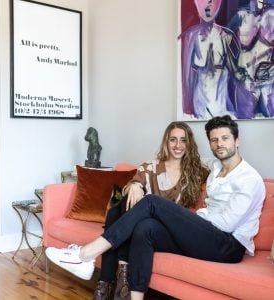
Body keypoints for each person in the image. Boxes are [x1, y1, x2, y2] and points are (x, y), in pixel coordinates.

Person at [46, 115, 266, 300]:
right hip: (205, 237)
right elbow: (188, 160)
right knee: (146, 228)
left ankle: (85, 254)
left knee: (152, 203)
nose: (220, 144)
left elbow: (226, 224)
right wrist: (134, 183)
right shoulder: (215, 168)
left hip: (227, 246)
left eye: (225, 138)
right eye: (214, 140)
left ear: (237, 141)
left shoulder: (249, 179)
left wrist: (188, 221)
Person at [91, 121, 209, 300]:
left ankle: (111, 281)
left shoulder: (198, 172)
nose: (178, 145)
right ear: (166, 142)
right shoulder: (150, 167)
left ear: (189, 143)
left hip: (169, 231)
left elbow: (222, 171)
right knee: (121, 208)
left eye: (183, 140)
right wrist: (135, 185)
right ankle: (115, 281)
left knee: (118, 213)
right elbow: (131, 185)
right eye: (173, 140)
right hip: (143, 228)